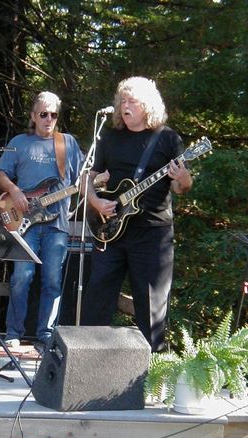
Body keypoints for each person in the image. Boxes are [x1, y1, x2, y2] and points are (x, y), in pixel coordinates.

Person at [81, 76, 193, 352]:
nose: (124, 106)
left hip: (152, 234)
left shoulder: (167, 139)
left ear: (148, 105)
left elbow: (181, 187)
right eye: (122, 101)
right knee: (97, 297)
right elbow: (87, 179)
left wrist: (183, 177)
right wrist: (95, 202)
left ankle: (152, 371)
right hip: (110, 229)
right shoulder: (110, 137)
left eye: (132, 101)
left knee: (151, 305)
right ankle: (88, 364)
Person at [0, 91, 82, 349]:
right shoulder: (19, 142)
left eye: (53, 114)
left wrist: (97, 182)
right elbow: (0, 173)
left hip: (56, 225)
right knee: (22, 276)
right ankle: (13, 332)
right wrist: (14, 190)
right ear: (33, 116)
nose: (48, 119)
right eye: (43, 114)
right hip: (24, 222)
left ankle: (46, 334)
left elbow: (81, 180)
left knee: (52, 280)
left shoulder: (67, 143)